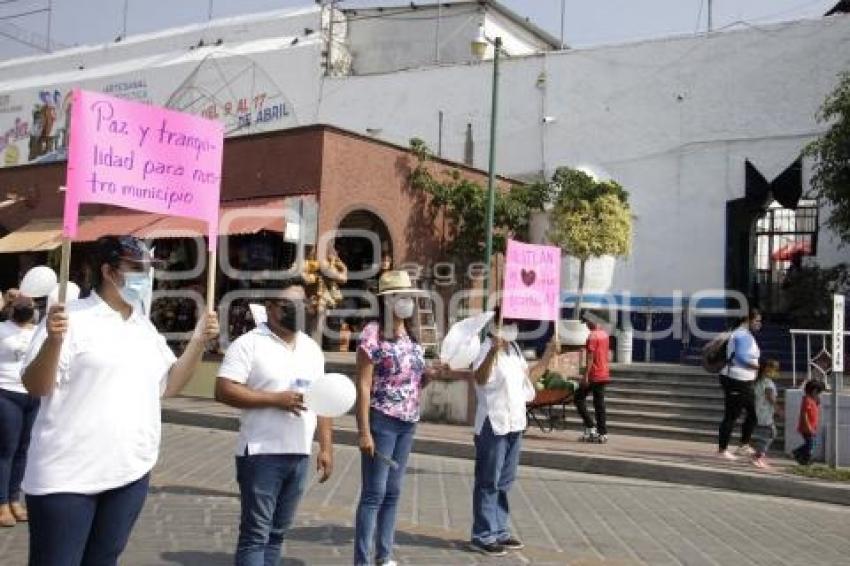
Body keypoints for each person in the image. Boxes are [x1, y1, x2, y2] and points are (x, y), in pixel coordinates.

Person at [20, 236, 219, 566]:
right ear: (109, 272)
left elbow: (169, 385)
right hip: (67, 476)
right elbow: (36, 386)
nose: (145, 277)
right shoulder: (69, 318)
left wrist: (198, 341)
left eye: (148, 269)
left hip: (129, 473)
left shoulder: (143, 326)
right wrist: (53, 342)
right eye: (136, 269)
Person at [215, 279, 334, 566]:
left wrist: (327, 447)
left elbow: (324, 399)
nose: (298, 310)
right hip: (261, 453)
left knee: (278, 533)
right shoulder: (249, 344)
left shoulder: (311, 348)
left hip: (299, 454)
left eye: (303, 304)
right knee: (256, 535)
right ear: (269, 308)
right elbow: (224, 389)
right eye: (289, 305)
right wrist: (274, 400)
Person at [353, 270, 454, 566]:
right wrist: (363, 431)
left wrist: (431, 376)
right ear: (387, 301)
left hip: (408, 421)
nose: (407, 301)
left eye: (409, 296)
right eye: (402, 296)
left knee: (393, 491)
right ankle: (362, 559)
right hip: (381, 420)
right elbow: (363, 384)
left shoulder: (411, 336)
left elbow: (412, 382)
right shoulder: (372, 334)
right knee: (374, 492)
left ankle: (384, 556)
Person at [470, 310, 557, 556]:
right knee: (488, 480)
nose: (513, 327)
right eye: (509, 322)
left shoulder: (515, 349)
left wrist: (548, 356)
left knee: (504, 481)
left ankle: (499, 529)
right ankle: (483, 534)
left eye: (515, 323)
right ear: (497, 323)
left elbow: (528, 379)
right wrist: (492, 352)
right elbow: (479, 378)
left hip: (515, 423)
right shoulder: (483, 348)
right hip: (493, 423)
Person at [0, 295, 38, 527]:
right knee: (6, 450)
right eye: (19, 303)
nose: (26, 308)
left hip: (32, 395)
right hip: (6, 393)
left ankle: (15, 499)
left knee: (24, 450)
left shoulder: (38, 330)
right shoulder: (2, 329)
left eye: (30, 304)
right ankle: (2, 503)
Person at [718, 308, 762, 460]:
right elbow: (741, 358)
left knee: (752, 415)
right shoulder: (742, 335)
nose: (759, 324)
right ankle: (722, 450)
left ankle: (743, 445)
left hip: (745, 380)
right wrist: (759, 368)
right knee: (731, 415)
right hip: (735, 379)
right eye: (757, 321)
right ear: (747, 320)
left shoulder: (746, 334)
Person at [575, 316, 611, 443]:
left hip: (594, 374)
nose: (586, 326)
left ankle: (591, 427)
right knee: (599, 404)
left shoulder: (592, 336)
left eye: (587, 323)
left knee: (578, 399)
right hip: (604, 373)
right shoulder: (604, 334)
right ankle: (603, 433)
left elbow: (590, 358)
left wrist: (585, 376)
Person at [751, 359, 780, 468]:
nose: (776, 372)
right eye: (775, 369)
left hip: (759, 412)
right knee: (768, 435)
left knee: (767, 434)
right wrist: (778, 409)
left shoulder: (759, 381)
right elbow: (770, 397)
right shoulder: (768, 383)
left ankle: (757, 454)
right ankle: (758, 457)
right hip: (764, 414)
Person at [792, 380, 825, 466]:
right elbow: (804, 414)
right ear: (814, 391)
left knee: (811, 443)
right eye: (818, 393)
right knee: (810, 444)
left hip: (811, 427)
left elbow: (814, 410)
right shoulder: (807, 400)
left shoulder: (813, 400)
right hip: (806, 427)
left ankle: (799, 454)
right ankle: (804, 458)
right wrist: (808, 427)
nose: (819, 395)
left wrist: (817, 402)